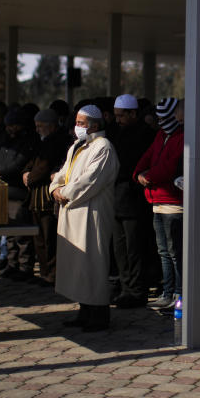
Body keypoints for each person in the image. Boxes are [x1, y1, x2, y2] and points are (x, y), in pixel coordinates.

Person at [49, 105, 120, 331]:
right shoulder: (77, 147)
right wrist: (54, 189)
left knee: (93, 264)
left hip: (92, 213)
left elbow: (90, 181)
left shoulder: (104, 147)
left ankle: (99, 315)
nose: (77, 127)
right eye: (76, 122)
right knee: (78, 265)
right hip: (72, 211)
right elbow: (62, 174)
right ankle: (84, 311)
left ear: (95, 125)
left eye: (81, 123)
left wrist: (65, 194)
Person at [134, 97, 184, 310]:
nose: (162, 121)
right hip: (156, 201)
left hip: (174, 203)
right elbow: (145, 159)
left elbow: (170, 167)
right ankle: (168, 291)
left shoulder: (183, 137)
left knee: (175, 252)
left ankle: (179, 293)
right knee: (163, 251)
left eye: (166, 117)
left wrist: (149, 176)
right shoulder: (160, 136)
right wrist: (139, 174)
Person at [109, 93, 156, 309]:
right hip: (117, 200)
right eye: (116, 115)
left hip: (134, 202)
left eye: (121, 115)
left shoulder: (145, 134)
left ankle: (137, 291)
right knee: (120, 249)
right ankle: (126, 287)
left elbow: (131, 165)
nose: (118, 119)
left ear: (133, 113)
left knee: (135, 248)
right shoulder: (117, 133)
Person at [22, 108, 72, 285]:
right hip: (36, 195)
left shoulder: (57, 141)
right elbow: (32, 160)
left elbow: (44, 166)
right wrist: (26, 172)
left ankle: (52, 274)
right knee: (40, 238)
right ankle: (45, 272)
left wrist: (30, 178)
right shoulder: (41, 141)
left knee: (50, 238)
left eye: (40, 126)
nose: (37, 129)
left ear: (50, 126)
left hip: (46, 197)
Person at [0, 106, 39, 280]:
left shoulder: (27, 142)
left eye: (13, 125)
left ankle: (25, 267)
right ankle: (12, 264)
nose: (10, 129)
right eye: (8, 125)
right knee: (9, 231)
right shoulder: (6, 141)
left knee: (22, 233)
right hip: (4, 191)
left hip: (19, 192)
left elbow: (18, 165)